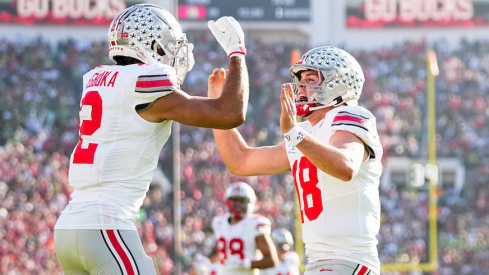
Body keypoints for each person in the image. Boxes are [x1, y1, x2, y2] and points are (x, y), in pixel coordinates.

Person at [53, 3, 249, 275]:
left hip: (69, 227)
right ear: (154, 46)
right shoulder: (145, 83)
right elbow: (231, 114)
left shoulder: (98, 79)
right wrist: (237, 53)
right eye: (170, 45)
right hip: (106, 224)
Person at [211, 46, 383, 275]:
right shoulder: (305, 133)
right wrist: (215, 107)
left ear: (338, 84)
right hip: (319, 261)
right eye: (301, 81)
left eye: (311, 79)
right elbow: (241, 161)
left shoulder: (349, 115)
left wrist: (295, 133)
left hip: (348, 259)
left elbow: (346, 166)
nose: (301, 88)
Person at [212, 181, 278, 274]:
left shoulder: (255, 224)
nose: (237, 204)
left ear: (251, 203)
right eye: (234, 200)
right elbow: (219, 251)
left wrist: (246, 264)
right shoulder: (219, 222)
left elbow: (271, 260)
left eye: (242, 201)